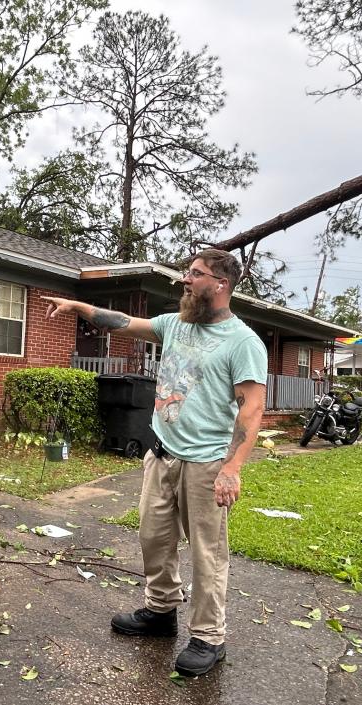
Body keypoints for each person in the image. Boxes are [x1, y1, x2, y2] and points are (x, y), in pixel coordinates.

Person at [43, 249, 267, 677]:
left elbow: (251, 410)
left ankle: (208, 636)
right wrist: (78, 306)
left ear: (220, 284)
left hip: (205, 464)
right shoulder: (175, 324)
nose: (185, 279)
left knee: (207, 552)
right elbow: (122, 322)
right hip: (161, 453)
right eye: (188, 272)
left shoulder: (243, 342)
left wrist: (231, 468)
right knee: (154, 538)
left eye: (196, 274)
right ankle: (161, 612)